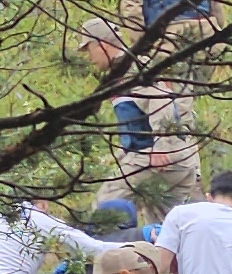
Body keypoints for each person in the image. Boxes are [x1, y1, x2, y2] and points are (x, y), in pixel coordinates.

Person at [77, 20, 201, 212]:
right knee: (163, 230)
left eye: (89, 49)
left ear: (103, 43)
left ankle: (92, 241)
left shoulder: (131, 69)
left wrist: (160, 146)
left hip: (157, 157)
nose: (89, 57)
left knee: (104, 206)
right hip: (182, 161)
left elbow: (161, 99)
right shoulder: (130, 68)